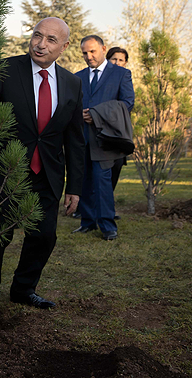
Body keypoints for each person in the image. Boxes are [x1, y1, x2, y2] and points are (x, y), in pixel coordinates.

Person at [0, 17, 85, 323]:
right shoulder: (5, 71)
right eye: (38, 35)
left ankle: (23, 289)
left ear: (63, 47)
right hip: (4, 174)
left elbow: (75, 140)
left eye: (51, 40)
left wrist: (75, 186)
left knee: (45, 236)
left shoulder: (72, 83)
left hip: (47, 175)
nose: (41, 44)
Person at [72, 36, 134, 241]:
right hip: (82, 138)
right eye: (84, 53)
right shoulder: (77, 77)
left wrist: (97, 114)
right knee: (85, 182)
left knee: (102, 182)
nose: (88, 57)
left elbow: (127, 103)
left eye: (92, 52)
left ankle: (108, 226)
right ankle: (87, 222)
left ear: (103, 49)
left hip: (105, 137)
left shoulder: (121, 74)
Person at [105, 46, 130, 199]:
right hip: (98, 129)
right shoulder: (100, 78)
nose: (117, 62)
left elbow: (128, 103)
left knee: (117, 165)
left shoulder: (125, 78)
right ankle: (84, 208)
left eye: (121, 60)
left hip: (118, 130)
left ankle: (107, 206)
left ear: (125, 63)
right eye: (114, 59)